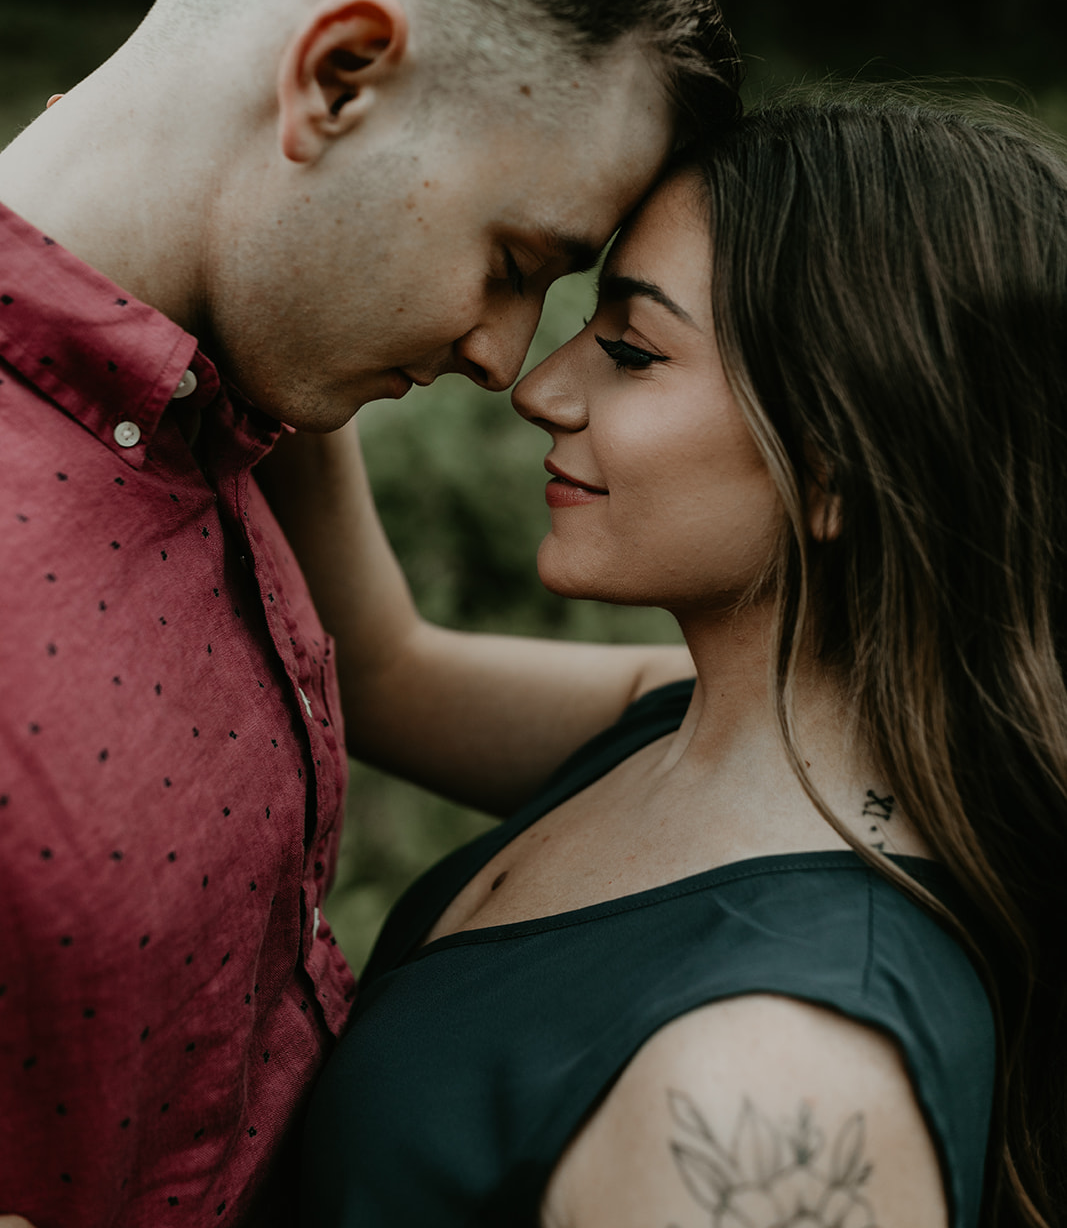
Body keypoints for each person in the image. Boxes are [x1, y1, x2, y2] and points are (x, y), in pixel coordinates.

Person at [0, 0, 740, 1226]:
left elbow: (389, 670)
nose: (501, 357)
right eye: (513, 260)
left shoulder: (240, 392)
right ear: (339, 77)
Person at [276, 92, 1067, 1228]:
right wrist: (281, 322)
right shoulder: (679, 722)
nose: (541, 390)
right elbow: (382, 670)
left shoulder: (771, 1081)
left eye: (631, 351)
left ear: (836, 469)